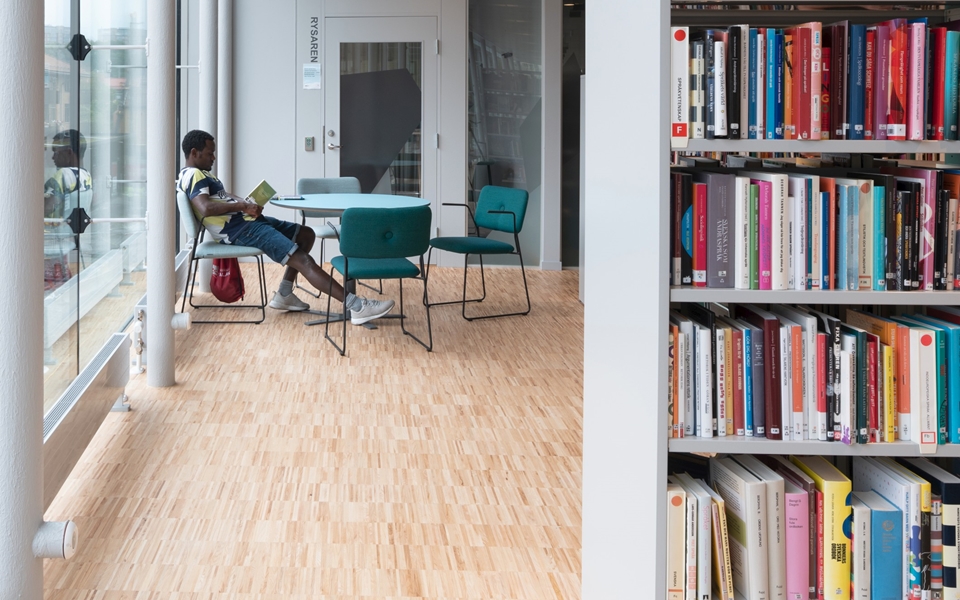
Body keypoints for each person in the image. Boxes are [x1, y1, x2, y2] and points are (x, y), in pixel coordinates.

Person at [177, 129, 394, 325]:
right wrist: (243, 206)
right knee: (303, 260)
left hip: (247, 222)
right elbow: (205, 208)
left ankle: (284, 294)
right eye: (210, 153)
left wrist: (247, 203)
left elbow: (222, 196)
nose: (214, 157)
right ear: (194, 152)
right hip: (241, 230)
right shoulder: (194, 175)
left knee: (305, 235)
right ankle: (357, 306)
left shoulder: (200, 174)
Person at [43, 129, 93, 291]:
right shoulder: (86, 175)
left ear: (69, 152)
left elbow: (45, 208)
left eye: (56, 152)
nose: (52, 157)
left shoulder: (63, 175)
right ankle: (59, 272)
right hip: (70, 234)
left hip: (55, 234)